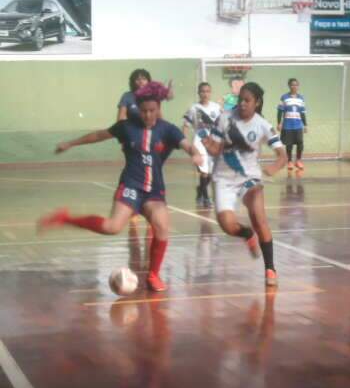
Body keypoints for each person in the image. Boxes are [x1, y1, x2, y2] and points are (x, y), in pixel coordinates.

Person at [38, 82, 203, 292]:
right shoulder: (127, 127)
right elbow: (99, 135)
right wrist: (71, 143)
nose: (148, 115)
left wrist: (195, 154)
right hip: (131, 184)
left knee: (162, 226)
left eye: (152, 110)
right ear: (138, 109)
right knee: (112, 227)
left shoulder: (168, 129)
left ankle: (153, 275)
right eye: (143, 111)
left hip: (154, 191)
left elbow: (187, 145)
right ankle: (66, 218)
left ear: (159, 108)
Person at [200, 82, 287, 286]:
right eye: (240, 100)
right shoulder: (224, 118)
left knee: (259, 217)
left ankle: (270, 268)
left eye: (247, 100)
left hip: (250, 178)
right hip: (224, 178)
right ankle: (247, 234)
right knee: (227, 225)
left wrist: (273, 168)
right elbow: (215, 149)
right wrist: (206, 143)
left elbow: (282, 155)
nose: (243, 104)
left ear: (257, 103)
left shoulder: (263, 125)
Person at [182, 82, 222, 207]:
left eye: (207, 91)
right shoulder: (194, 108)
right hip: (199, 143)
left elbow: (223, 124)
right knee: (204, 171)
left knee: (211, 172)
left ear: (210, 93)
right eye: (203, 91)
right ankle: (206, 197)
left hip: (213, 142)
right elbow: (186, 126)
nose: (205, 94)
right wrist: (185, 142)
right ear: (199, 93)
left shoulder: (216, 107)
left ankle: (200, 190)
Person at [277, 78, 308, 171]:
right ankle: (289, 161)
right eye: (292, 85)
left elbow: (302, 112)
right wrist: (279, 123)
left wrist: (305, 125)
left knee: (300, 143)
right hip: (287, 125)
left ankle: (298, 161)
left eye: (296, 85)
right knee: (289, 144)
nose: (294, 86)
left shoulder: (301, 98)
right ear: (289, 86)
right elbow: (280, 111)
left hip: (298, 125)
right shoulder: (284, 97)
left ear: (298, 86)